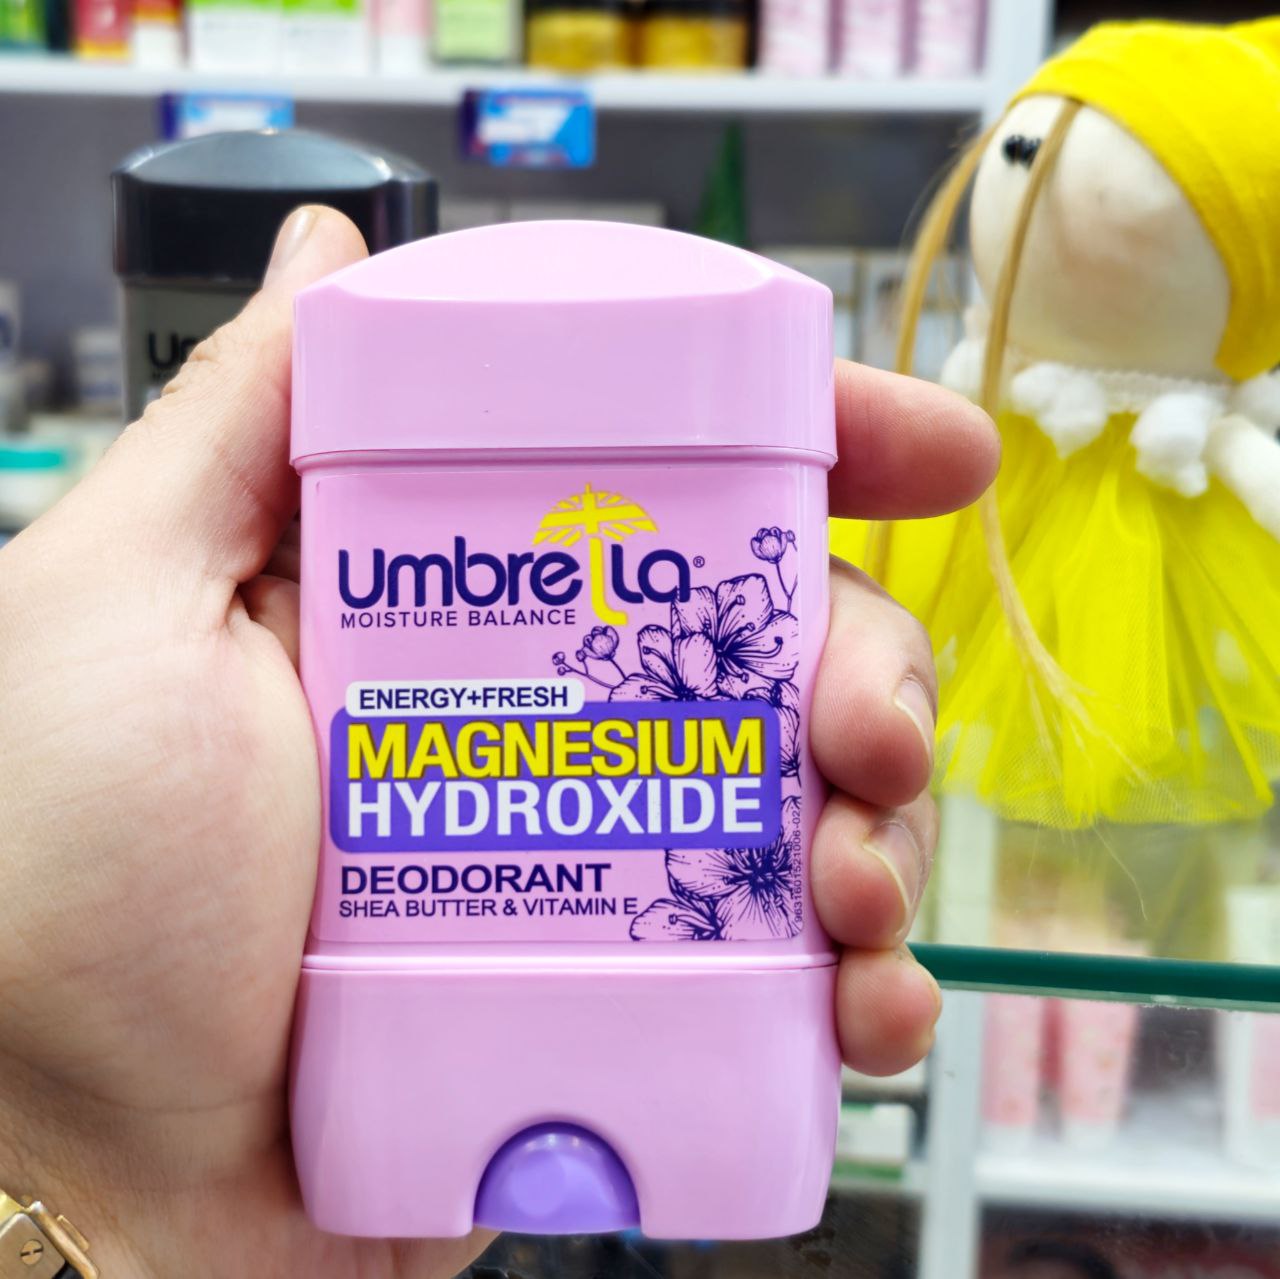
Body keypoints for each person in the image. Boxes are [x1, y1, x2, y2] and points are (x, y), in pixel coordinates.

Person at [0, 207, 998, 1277]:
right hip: (341, 1095)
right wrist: (67, 1134)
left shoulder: (397, 345)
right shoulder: (376, 354)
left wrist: (77, 1176)